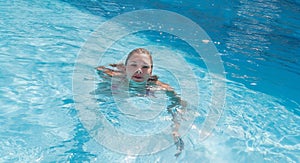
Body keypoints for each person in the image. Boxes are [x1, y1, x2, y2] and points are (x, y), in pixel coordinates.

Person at [96, 48, 186, 157]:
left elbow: (180, 104)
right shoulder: (112, 77)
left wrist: (175, 129)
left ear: (151, 71)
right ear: (125, 68)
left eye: (145, 67)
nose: (139, 70)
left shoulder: (160, 88)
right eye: (133, 65)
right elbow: (98, 69)